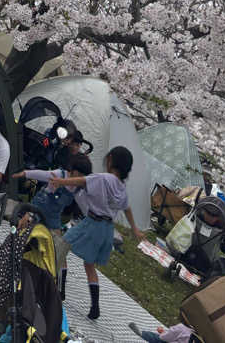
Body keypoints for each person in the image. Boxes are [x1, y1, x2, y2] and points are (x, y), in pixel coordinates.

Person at [47, 146, 145, 320]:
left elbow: (80, 182)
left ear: (111, 161)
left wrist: (61, 182)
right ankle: (95, 307)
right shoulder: (122, 188)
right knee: (89, 265)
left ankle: (59, 290)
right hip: (107, 230)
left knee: (61, 246)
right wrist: (135, 229)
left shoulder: (103, 178)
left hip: (93, 223)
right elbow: (127, 209)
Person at [13, 153, 93, 299]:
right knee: (22, 232)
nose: (79, 178)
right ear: (72, 170)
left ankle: (60, 288)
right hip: (38, 208)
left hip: (53, 217)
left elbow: (85, 206)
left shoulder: (76, 189)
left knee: (59, 250)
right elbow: (41, 174)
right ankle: (12, 262)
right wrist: (24, 173)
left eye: (83, 176)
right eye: (79, 174)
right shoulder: (59, 174)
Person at [128, 323, 194, 342]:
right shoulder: (201, 335)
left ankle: (143, 334)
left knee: (157, 338)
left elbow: (166, 337)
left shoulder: (182, 327)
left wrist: (162, 332)